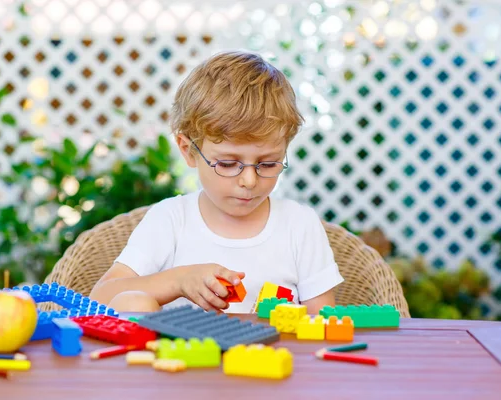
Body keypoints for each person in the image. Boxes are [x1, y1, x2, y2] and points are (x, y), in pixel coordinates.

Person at [89, 50, 344, 313]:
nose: (248, 180)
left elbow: (321, 325)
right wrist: (178, 280)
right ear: (188, 151)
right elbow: (100, 298)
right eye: (227, 164)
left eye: (267, 164)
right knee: (133, 302)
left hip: (274, 354)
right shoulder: (171, 221)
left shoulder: (299, 226)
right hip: (180, 354)